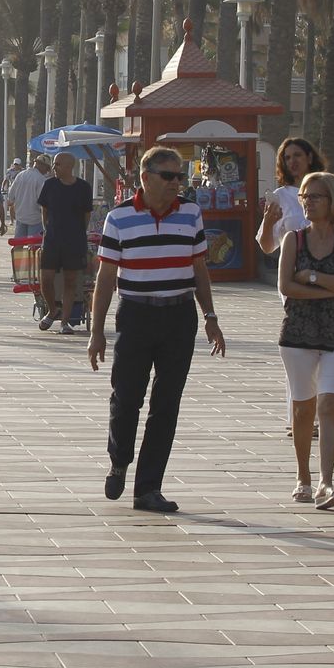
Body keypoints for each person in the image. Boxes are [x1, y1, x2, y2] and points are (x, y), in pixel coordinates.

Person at [88, 145, 226, 513]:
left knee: (166, 404)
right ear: (146, 177)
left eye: (180, 177)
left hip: (179, 316)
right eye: (169, 176)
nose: (176, 183)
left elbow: (199, 269)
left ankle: (148, 488)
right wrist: (96, 330)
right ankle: (119, 461)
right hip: (135, 315)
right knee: (127, 397)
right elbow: (105, 278)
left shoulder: (191, 214)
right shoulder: (119, 218)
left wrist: (211, 317)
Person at [278, 172, 334, 510]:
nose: (308, 202)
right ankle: (303, 476)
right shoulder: (293, 240)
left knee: (330, 404)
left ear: (333, 202)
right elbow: (286, 286)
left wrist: (312, 277)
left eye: (316, 197)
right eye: (305, 196)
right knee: (302, 409)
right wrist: (332, 286)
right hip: (299, 332)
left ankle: (326, 481)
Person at [38, 152, 93, 334]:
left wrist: (78, 233)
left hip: (74, 241)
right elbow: (44, 210)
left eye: (57, 164)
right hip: (52, 239)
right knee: (46, 279)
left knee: (70, 282)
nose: (54, 168)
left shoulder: (83, 188)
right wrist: (48, 229)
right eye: (54, 164)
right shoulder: (49, 185)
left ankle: (65, 321)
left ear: (69, 166)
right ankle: (53, 310)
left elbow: (86, 214)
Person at [257, 138, 326, 255]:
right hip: (293, 270)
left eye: (297, 155)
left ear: (309, 158)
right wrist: (268, 224)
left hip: (327, 269)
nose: (292, 161)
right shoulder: (280, 196)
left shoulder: (327, 190)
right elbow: (267, 248)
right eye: (287, 158)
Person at [7, 155, 50, 238]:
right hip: (35, 219)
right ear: (42, 166)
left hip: (20, 217)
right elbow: (42, 202)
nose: (47, 171)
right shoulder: (41, 180)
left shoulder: (20, 175)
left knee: (18, 246)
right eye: (47, 168)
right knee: (34, 247)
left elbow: (11, 196)